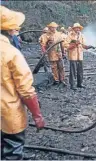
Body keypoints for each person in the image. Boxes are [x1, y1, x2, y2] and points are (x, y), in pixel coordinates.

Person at [1, 6, 45, 160]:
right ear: (10, 30)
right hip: (8, 116)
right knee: (11, 153)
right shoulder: (11, 53)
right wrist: (37, 115)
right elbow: (26, 89)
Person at [65, 23, 95, 90]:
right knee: (73, 71)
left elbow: (84, 45)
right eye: (76, 28)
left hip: (80, 56)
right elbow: (66, 46)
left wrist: (89, 46)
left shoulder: (81, 35)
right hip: (73, 56)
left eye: (79, 28)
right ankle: (72, 85)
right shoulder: (70, 35)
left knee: (80, 71)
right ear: (74, 28)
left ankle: (79, 84)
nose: (78, 29)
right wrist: (75, 44)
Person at [40, 22, 67, 86]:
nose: (53, 28)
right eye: (52, 27)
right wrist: (44, 51)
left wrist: (63, 52)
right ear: (49, 28)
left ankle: (62, 79)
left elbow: (62, 44)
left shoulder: (58, 34)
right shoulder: (46, 35)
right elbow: (43, 45)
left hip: (59, 53)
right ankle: (56, 80)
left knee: (61, 67)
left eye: (54, 27)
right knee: (54, 67)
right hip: (52, 53)